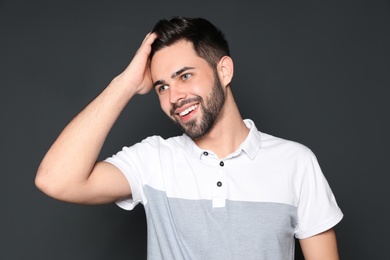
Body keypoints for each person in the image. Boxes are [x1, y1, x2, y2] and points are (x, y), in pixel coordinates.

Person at [36, 17, 343, 259]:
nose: (175, 97)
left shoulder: (296, 163)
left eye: (185, 76)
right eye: (161, 87)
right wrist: (126, 83)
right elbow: (55, 179)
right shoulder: (154, 160)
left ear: (224, 71)